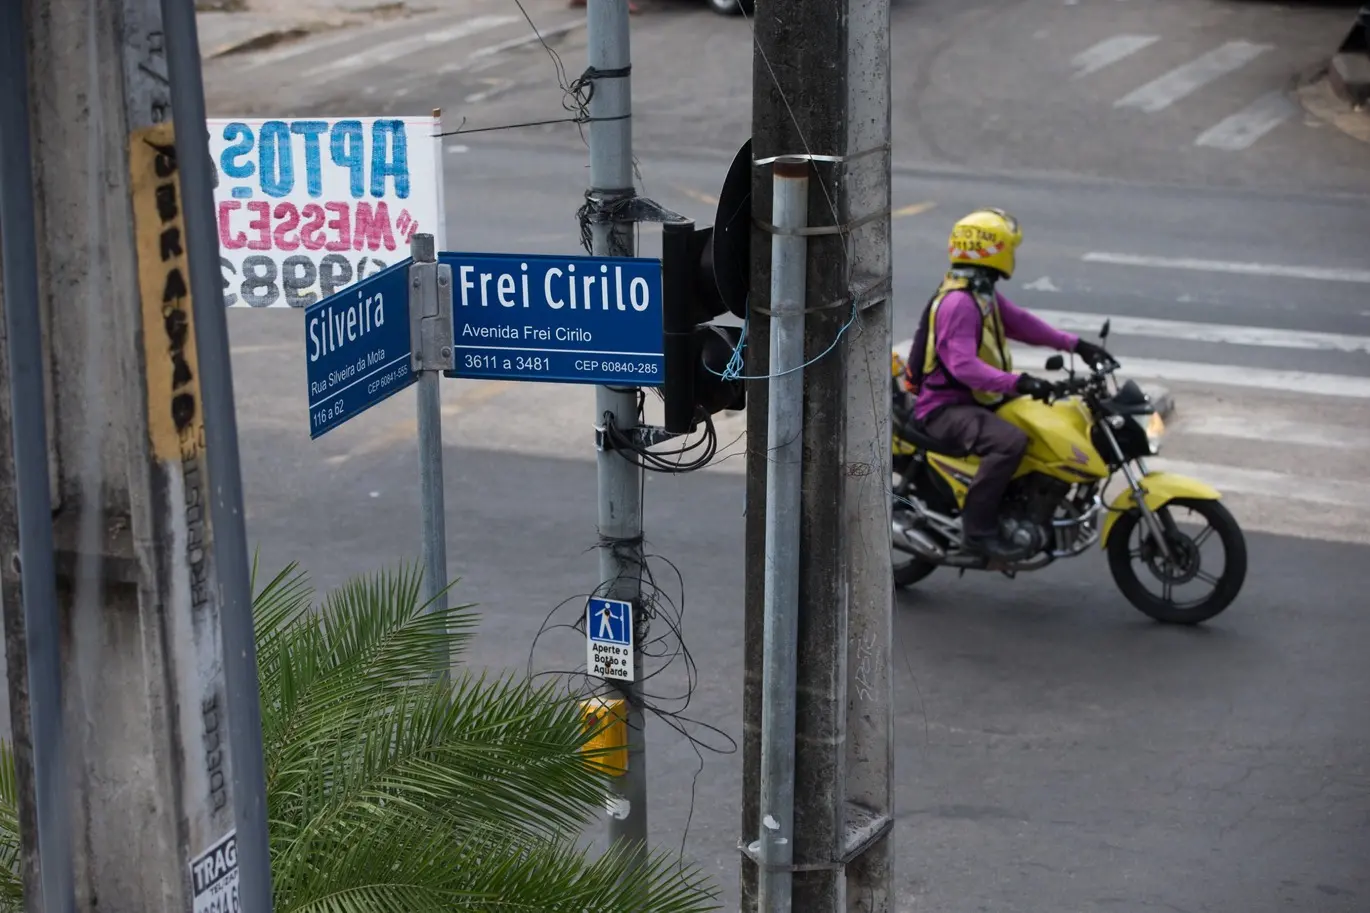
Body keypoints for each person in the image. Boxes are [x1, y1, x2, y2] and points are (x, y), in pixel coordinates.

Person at [904, 208, 1112, 560]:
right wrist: (1019, 382)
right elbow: (964, 366)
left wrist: (1076, 345)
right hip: (945, 408)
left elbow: (1022, 323)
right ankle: (978, 532)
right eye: (1010, 247)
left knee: (1039, 425)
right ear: (994, 249)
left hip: (976, 401)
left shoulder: (980, 292)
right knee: (1009, 443)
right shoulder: (959, 301)